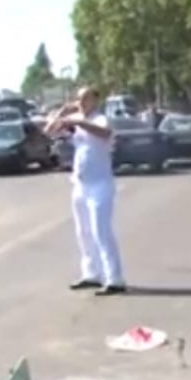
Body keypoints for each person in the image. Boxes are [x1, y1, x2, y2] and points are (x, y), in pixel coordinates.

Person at [45, 87, 127, 296]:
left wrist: (79, 122)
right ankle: (91, 274)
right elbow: (49, 131)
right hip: (80, 185)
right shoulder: (75, 119)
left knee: (101, 231)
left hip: (101, 184)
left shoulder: (100, 119)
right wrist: (63, 112)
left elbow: (105, 133)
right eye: (79, 99)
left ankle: (114, 278)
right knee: (83, 232)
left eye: (85, 99)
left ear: (95, 100)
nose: (81, 102)